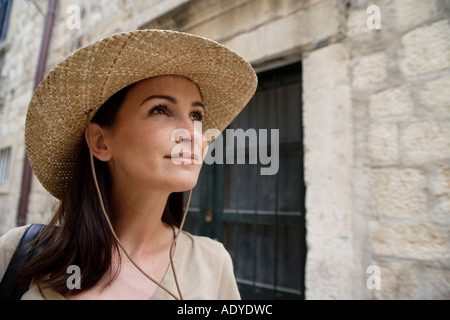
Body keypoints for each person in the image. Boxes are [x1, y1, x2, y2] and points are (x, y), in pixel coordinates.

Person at [0, 29, 257, 300]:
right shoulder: (18, 253)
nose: (193, 133)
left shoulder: (212, 265)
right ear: (101, 142)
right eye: (160, 110)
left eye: (197, 115)